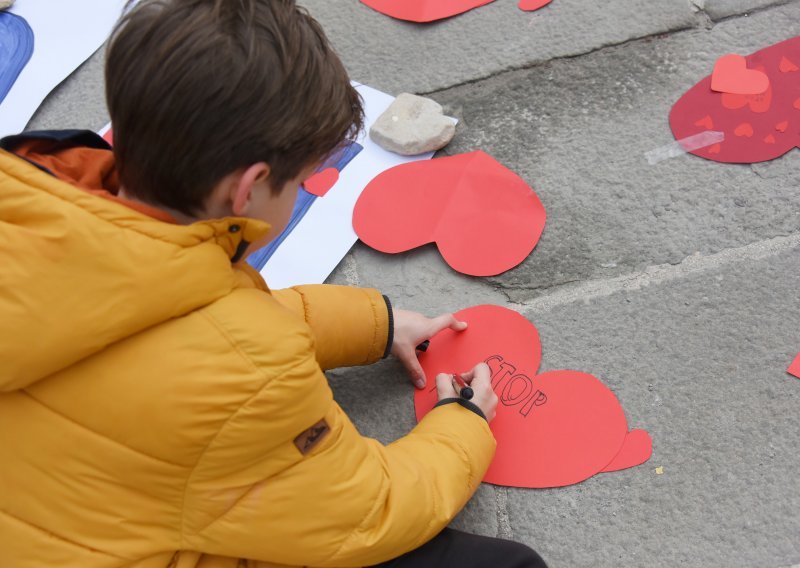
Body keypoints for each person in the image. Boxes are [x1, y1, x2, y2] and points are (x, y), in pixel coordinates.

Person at [0, 1, 547, 566]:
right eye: (301, 182)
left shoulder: (38, 188)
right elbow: (368, 512)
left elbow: (160, 316)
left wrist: (375, 325)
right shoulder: (246, 377)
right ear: (250, 189)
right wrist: (466, 424)